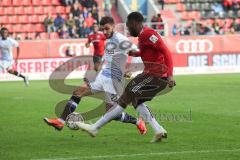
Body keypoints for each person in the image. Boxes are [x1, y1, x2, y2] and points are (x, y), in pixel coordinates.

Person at [72, 12, 175, 143]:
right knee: (136, 101)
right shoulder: (143, 37)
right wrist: (135, 53)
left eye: (128, 26)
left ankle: (95, 128)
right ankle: (158, 130)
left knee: (124, 98)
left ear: (135, 24)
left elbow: (166, 51)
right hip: (152, 75)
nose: (127, 29)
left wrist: (170, 75)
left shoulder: (148, 34)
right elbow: (146, 53)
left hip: (156, 75)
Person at [43, 16, 147, 135]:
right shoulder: (108, 40)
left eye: (107, 29)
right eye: (102, 29)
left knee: (112, 113)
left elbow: (137, 52)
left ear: (113, 26)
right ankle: (60, 121)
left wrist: (132, 70)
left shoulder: (120, 39)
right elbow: (105, 59)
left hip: (114, 81)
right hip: (102, 76)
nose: (104, 32)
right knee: (78, 92)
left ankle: (137, 122)